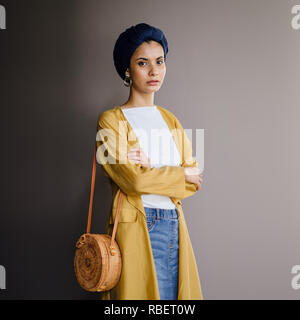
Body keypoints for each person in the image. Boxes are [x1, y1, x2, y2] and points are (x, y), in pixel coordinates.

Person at [96, 23, 204, 300]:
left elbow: (195, 180)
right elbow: (133, 180)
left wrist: (152, 168)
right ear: (128, 70)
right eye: (143, 63)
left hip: (174, 224)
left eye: (160, 61)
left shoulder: (171, 121)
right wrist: (176, 174)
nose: (154, 71)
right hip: (139, 225)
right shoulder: (110, 121)